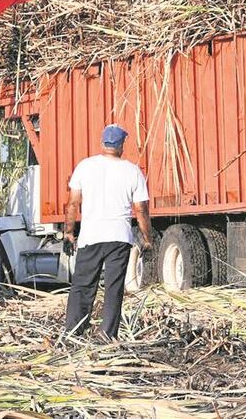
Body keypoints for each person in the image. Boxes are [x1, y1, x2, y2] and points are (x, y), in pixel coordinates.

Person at [64, 124, 152, 340]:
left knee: (83, 286)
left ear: (102, 143)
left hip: (91, 236)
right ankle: (107, 334)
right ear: (121, 145)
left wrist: (69, 232)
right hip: (119, 237)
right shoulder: (133, 171)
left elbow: (73, 203)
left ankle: (74, 332)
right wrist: (147, 239)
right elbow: (141, 210)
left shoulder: (85, 167)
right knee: (114, 288)